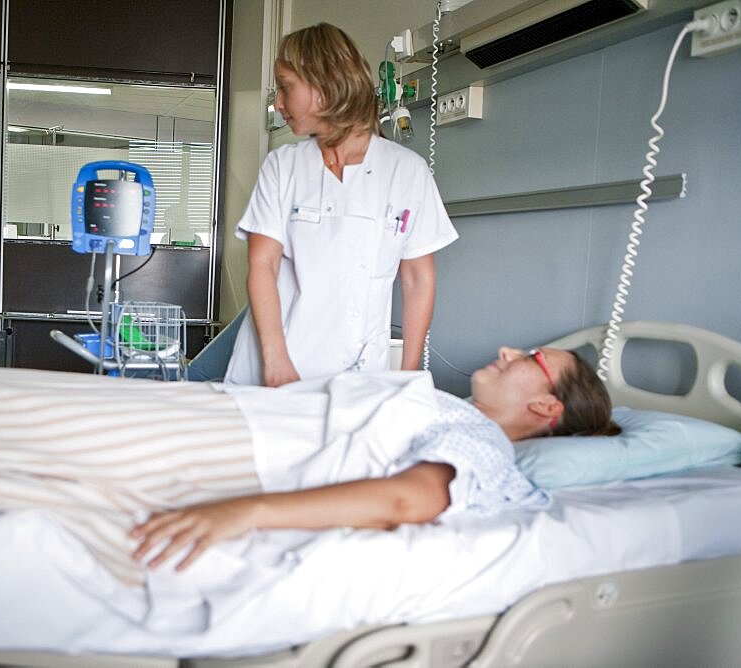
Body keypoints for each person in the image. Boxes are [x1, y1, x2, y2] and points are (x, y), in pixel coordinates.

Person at [131, 346, 618, 571]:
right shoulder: (447, 406)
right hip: (233, 412)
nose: (508, 350)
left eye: (531, 359)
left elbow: (414, 498)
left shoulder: (484, 441)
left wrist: (252, 510)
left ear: (546, 408)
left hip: (235, 437)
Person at [224, 23, 458, 387]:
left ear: (324, 86)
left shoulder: (406, 171)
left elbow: (417, 278)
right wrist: (275, 360)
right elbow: (262, 264)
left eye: (286, 87)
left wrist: (409, 376)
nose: (278, 104)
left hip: (359, 372)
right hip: (272, 367)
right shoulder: (283, 166)